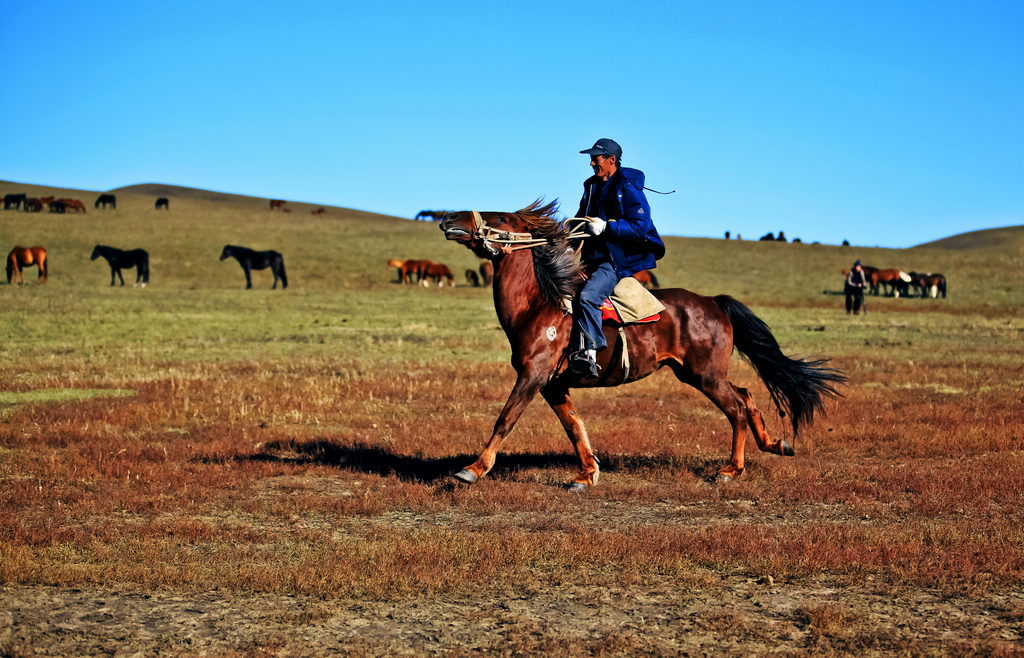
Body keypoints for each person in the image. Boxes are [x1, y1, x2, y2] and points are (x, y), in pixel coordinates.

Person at [569, 138, 666, 377]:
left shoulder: (628, 187)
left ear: (612, 159)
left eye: (596, 158)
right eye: (591, 158)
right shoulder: (591, 185)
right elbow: (582, 218)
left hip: (615, 260)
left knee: (590, 297)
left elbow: (640, 227)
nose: (591, 163)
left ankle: (590, 353)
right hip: (591, 258)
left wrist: (607, 228)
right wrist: (567, 241)